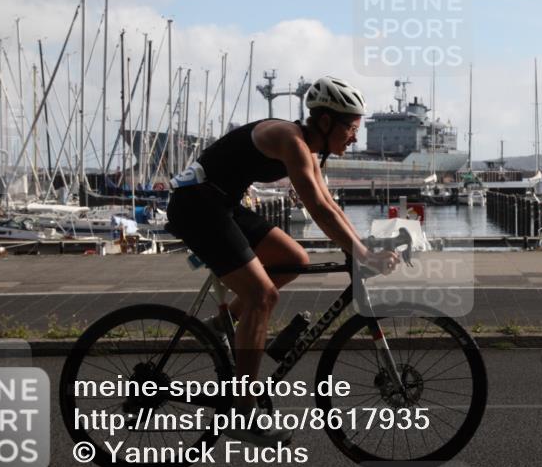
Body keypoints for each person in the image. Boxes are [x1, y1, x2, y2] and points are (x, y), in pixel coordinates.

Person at [165, 76, 400, 445]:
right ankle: (243, 413)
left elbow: (331, 206)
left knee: (293, 257)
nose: (355, 137)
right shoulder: (290, 141)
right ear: (326, 122)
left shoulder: (307, 149)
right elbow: (318, 209)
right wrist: (363, 254)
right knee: (263, 296)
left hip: (220, 203)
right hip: (197, 205)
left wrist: (360, 246)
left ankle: (223, 324)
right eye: (352, 128)